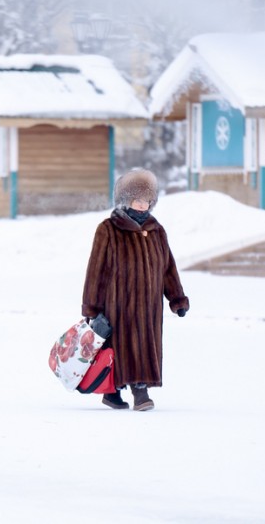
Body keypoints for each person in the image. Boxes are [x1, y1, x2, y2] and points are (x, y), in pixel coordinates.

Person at [82, 169, 189, 411]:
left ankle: (112, 393)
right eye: (137, 199)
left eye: (147, 200)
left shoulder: (156, 231)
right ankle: (139, 392)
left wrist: (177, 299)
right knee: (121, 346)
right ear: (125, 200)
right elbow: (95, 270)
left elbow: (168, 268)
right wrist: (91, 307)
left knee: (144, 343)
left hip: (150, 306)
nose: (142, 205)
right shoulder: (108, 229)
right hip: (118, 305)